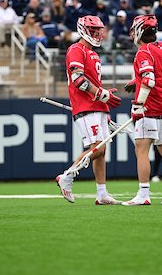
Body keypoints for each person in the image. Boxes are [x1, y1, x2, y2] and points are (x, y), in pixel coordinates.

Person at [55, 16, 122, 205]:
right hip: (86, 106)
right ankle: (66, 177)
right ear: (83, 30)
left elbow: (94, 83)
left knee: (101, 150)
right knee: (97, 148)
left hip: (97, 107)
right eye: (93, 31)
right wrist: (101, 95)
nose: (97, 34)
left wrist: (105, 107)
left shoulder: (93, 53)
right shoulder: (76, 49)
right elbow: (78, 80)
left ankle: (102, 194)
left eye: (98, 31)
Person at [122, 14, 162, 206]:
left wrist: (138, 104)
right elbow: (158, 74)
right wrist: (136, 81)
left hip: (151, 107)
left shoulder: (143, 52)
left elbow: (149, 80)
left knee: (141, 149)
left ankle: (143, 194)